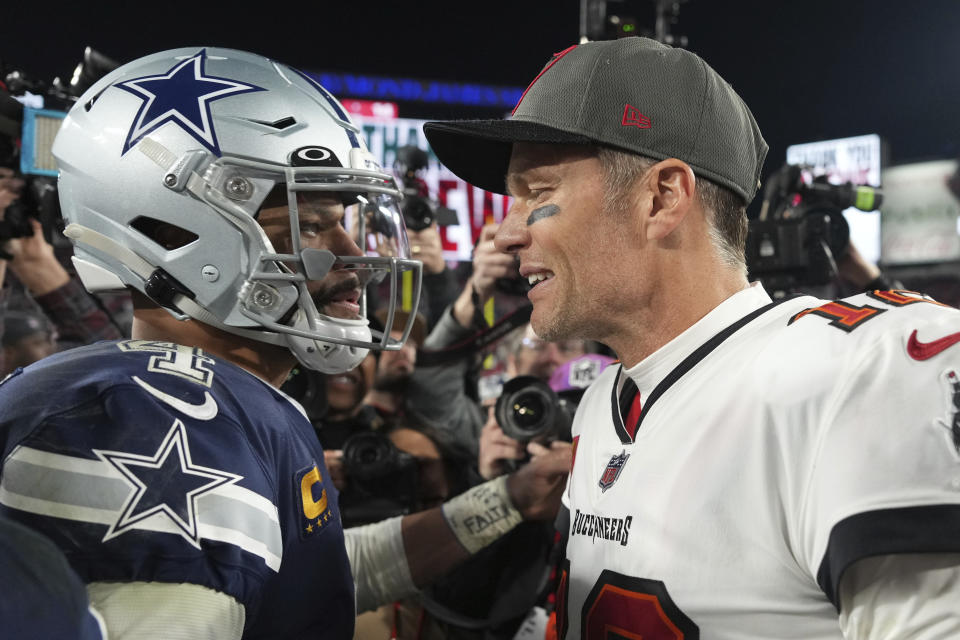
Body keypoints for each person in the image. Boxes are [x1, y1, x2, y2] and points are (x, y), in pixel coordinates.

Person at [0, 47, 570, 640]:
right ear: (176, 234)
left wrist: (508, 499)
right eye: (312, 224)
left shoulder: (204, 398)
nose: (356, 260)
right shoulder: (157, 419)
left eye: (346, 222)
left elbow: (298, 577)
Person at [424, 37, 960, 639]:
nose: (505, 234)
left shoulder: (855, 376)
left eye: (538, 194)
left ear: (662, 197)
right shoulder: (605, 403)